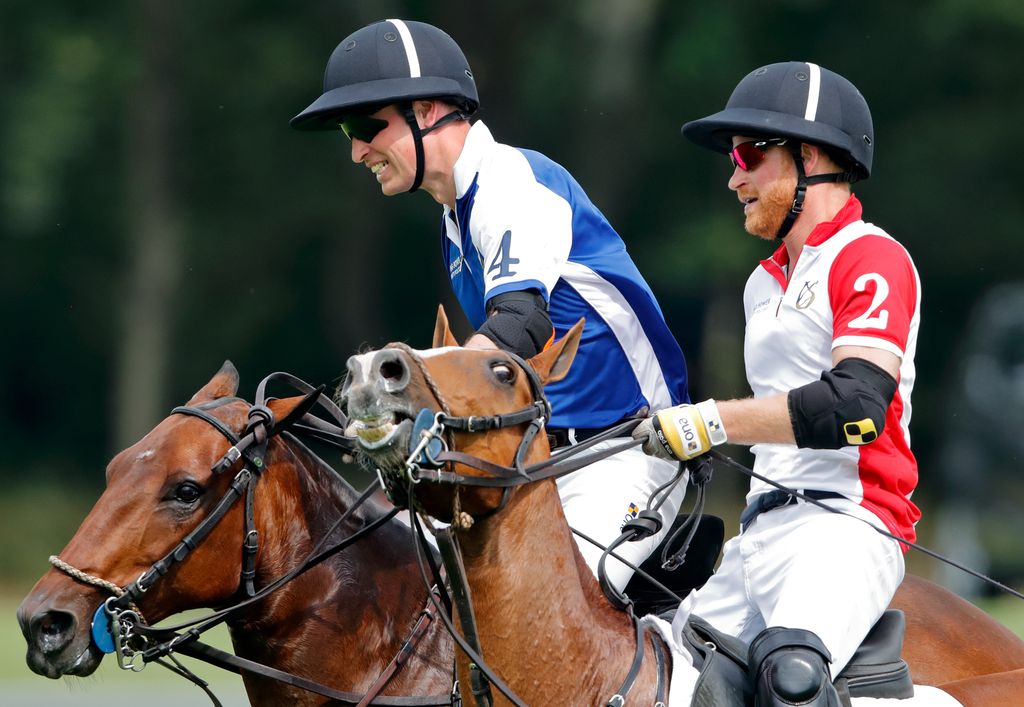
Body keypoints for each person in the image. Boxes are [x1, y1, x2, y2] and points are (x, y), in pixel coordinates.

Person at [291, 19, 690, 591]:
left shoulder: (510, 182)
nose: (357, 151)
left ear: (427, 111)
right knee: (390, 590)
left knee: (538, 612)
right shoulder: (456, 217)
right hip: (537, 456)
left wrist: (410, 390)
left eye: (363, 125)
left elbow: (521, 323)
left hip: (626, 452)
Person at [633, 62, 921, 706]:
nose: (734, 176)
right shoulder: (761, 284)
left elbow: (855, 406)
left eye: (749, 153)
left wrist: (710, 422)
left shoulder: (871, 256)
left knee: (791, 679)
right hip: (761, 531)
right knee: (652, 674)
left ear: (812, 156)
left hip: (850, 524)